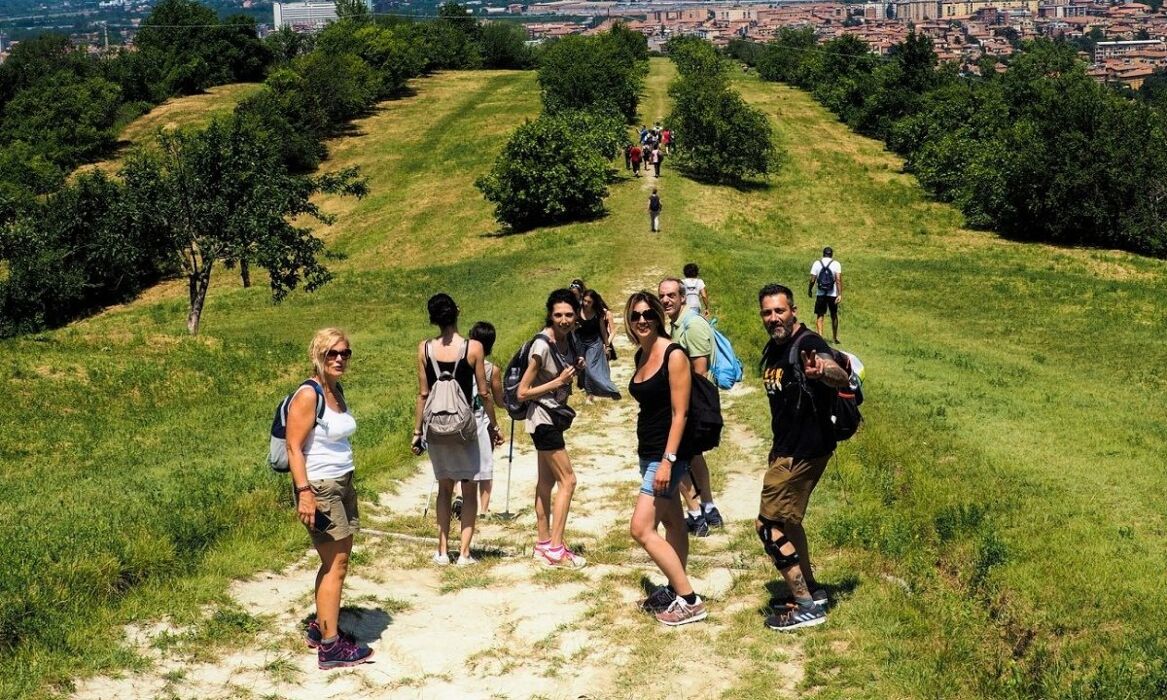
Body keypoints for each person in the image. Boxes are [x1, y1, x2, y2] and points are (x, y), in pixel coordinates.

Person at [755, 284, 850, 631]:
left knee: (768, 526)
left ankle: (806, 606)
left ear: (793, 311)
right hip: (787, 449)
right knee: (790, 523)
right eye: (767, 312)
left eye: (780, 311)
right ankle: (812, 590)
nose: (773, 318)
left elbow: (840, 374)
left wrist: (822, 371)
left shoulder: (809, 343)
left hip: (805, 450)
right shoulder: (775, 347)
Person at [286, 328, 375, 670]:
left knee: (336, 563)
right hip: (320, 488)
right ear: (318, 355)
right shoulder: (308, 394)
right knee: (335, 565)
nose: (339, 359)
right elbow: (293, 447)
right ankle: (330, 646)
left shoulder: (335, 390)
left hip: (342, 483)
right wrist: (304, 493)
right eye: (332, 353)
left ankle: (321, 626)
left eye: (345, 353)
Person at [625, 291, 707, 626]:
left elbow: (680, 413)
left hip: (666, 456)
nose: (642, 320)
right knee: (673, 523)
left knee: (641, 528)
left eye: (648, 314)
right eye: (635, 315)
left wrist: (668, 461)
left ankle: (690, 600)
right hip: (649, 452)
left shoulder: (674, 355)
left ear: (659, 316)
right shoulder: (641, 354)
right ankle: (675, 589)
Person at [412, 294, 501, 567]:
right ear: (457, 312)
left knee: (444, 488)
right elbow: (484, 393)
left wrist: (417, 432)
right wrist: (494, 425)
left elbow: (423, 394)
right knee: (469, 488)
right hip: (464, 428)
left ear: (432, 318)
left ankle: (441, 551)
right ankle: (464, 553)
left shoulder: (424, 349)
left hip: (436, 428)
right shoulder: (473, 348)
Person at [518, 289, 587, 568]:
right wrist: (558, 382)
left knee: (546, 482)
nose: (564, 320)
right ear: (550, 315)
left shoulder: (568, 339)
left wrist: (575, 368)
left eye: (569, 314)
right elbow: (523, 391)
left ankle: (543, 543)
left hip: (550, 418)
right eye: (558, 315)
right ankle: (557, 549)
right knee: (568, 481)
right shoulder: (542, 346)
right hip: (542, 419)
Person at [658, 278, 723, 537]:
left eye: (671, 295)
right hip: (687, 403)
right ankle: (709, 508)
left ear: (683, 297)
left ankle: (696, 515)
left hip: (690, 405)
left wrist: (683, 413)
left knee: (675, 458)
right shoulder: (677, 325)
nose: (666, 300)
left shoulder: (691, 325)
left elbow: (700, 373)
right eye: (662, 296)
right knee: (694, 456)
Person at [467, 321, 506, 515]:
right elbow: (499, 401)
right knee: (485, 463)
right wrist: (496, 426)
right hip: (481, 420)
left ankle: (460, 497)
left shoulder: (459, 364)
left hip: (458, 419)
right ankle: (483, 509)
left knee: (462, 462)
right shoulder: (492, 370)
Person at [577, 289, 621, 402]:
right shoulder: (577, 310)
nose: (586, 303)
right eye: (584, 300)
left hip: (595, 343)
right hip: (581, 343)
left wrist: (607, 346)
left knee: (590, 368)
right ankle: (589, 395)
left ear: (594, 303)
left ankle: (611, 390)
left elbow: (603, 331)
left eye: (589, 302)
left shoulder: (598, 314)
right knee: (583, 370)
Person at [808, 247, 843, 344]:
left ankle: (820, 337)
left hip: (821, 293)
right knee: (834, 315)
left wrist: (810, 290)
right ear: (832, 254)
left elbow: (812, 279)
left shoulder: (817, 263)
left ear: (823, 254)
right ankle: (834, 338)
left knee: (820, 315)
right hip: (833, 293)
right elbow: (838, 280)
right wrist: (839, 294)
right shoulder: (836, 264)